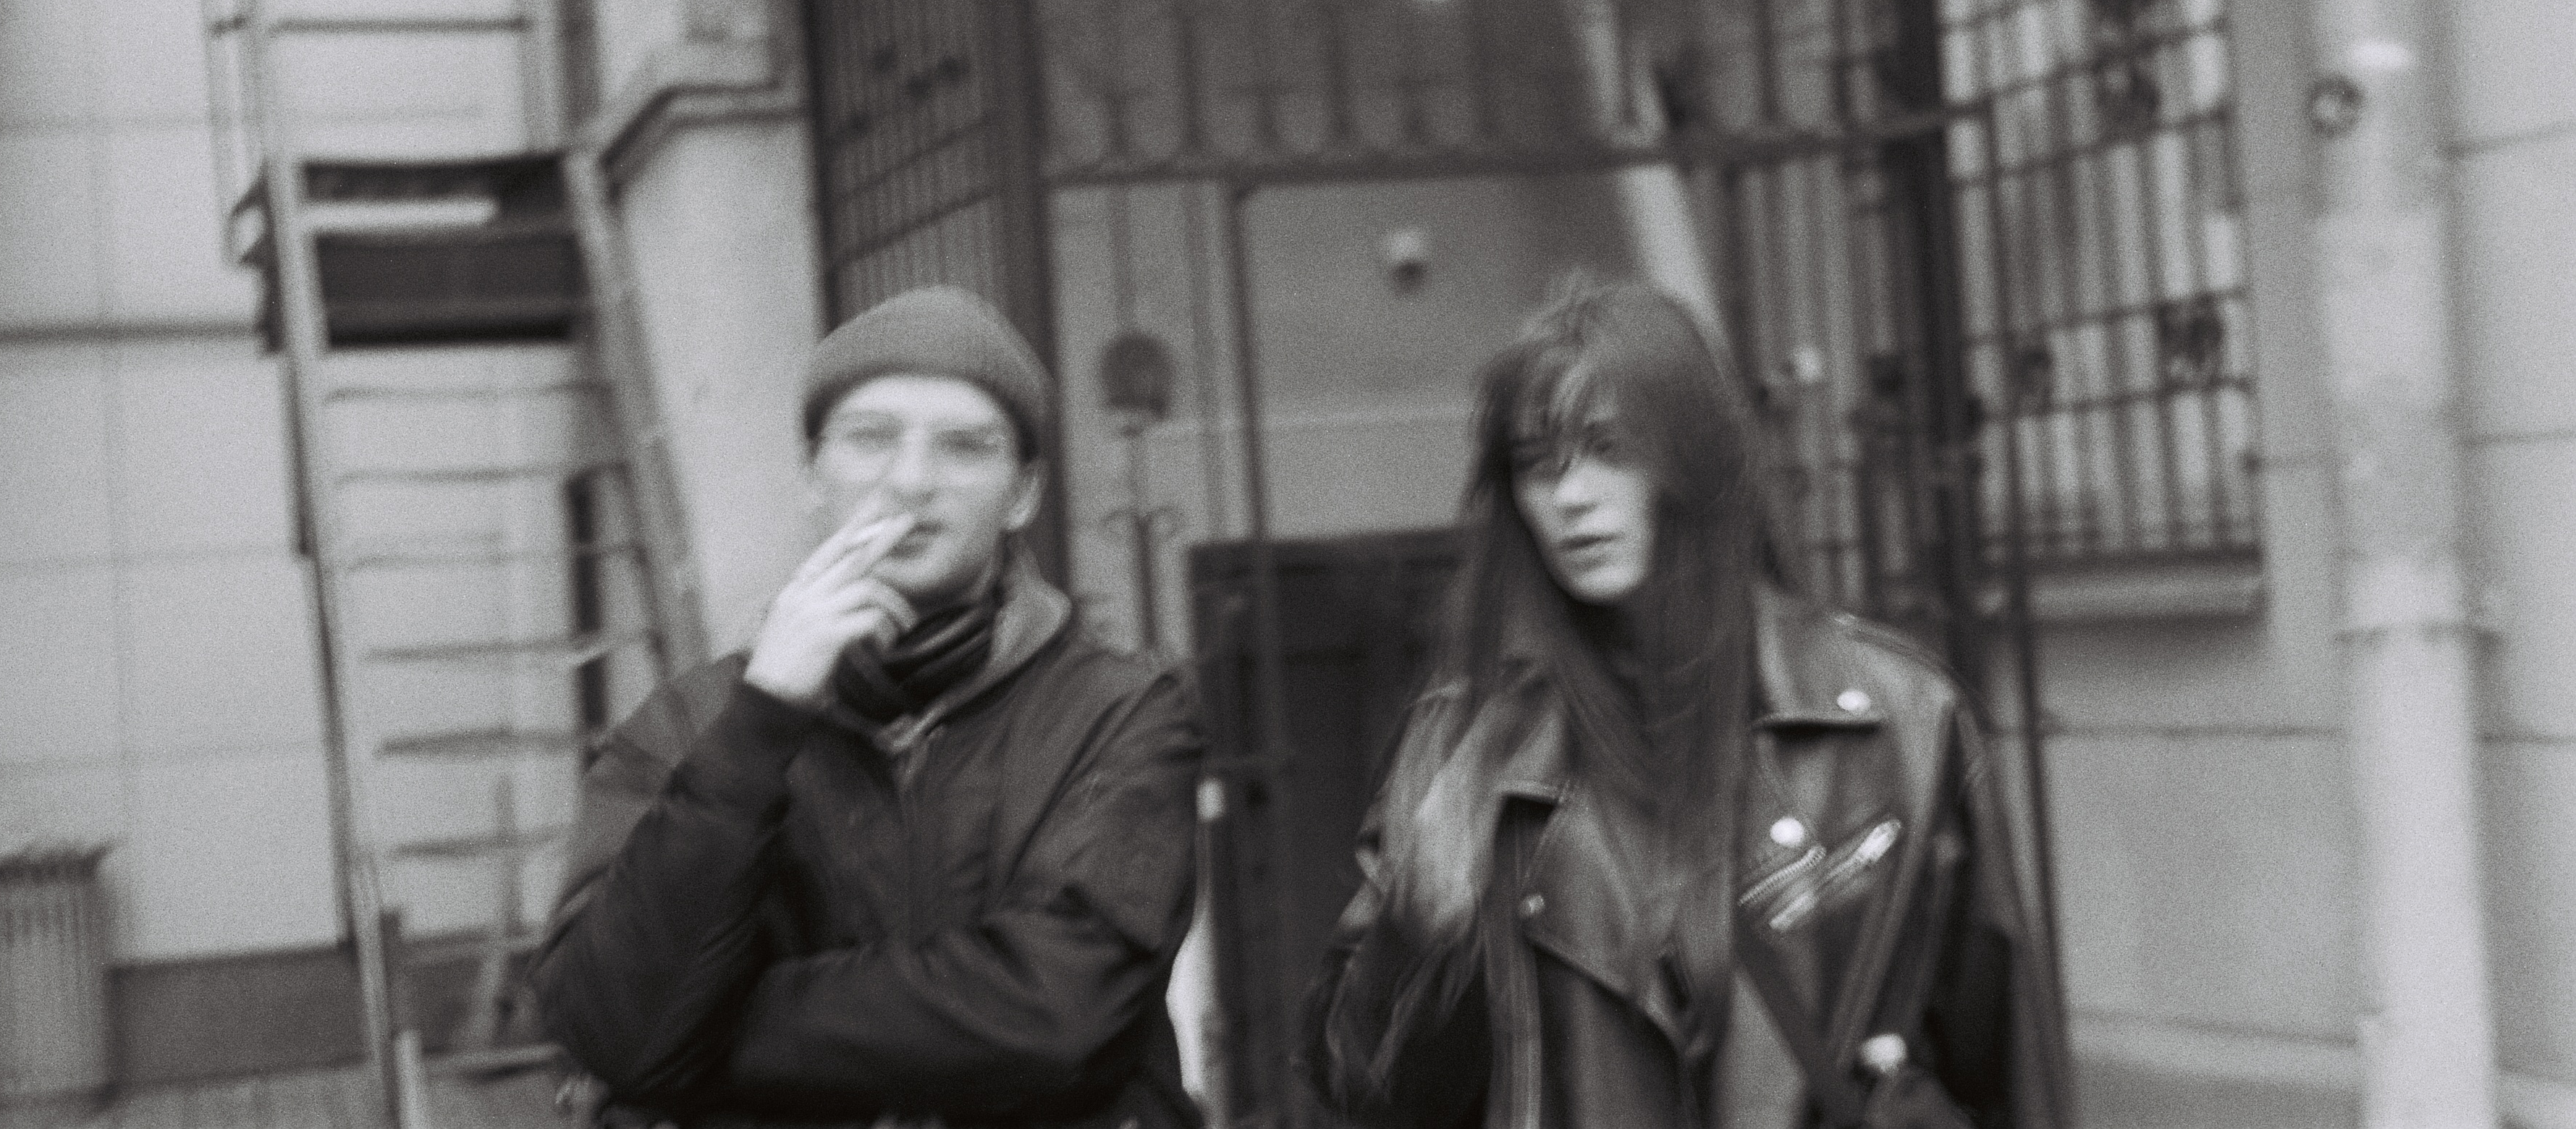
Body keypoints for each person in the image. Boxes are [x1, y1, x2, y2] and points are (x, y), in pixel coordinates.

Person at [1302, 279, 2066, 1128]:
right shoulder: (1468, 741)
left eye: (1608, 448)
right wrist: (1419, 927)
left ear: (1693, 460)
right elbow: (1358, 1091)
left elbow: (2006, 1066)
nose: (1571, 496)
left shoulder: (1898, 720)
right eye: (1535, 462)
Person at [533, 285, 1204, 1129]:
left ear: (1023, 494)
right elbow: (611, 1022)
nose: (911, 481)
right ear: (812, 478)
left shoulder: (1122, 709)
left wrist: (698, 1038)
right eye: (870, 438)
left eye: (964, 447)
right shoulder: (687, 726)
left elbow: (1057, 1016)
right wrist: (762, 720)